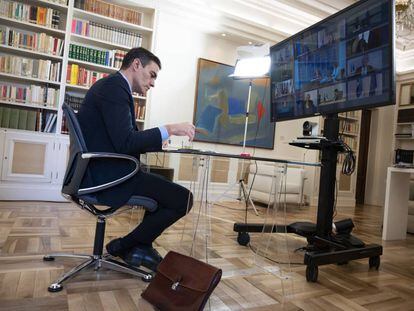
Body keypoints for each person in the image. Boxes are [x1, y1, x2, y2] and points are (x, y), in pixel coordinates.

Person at [77, 47, 195, 272]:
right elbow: (126, 142)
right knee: (183, 199)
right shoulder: (114, 88)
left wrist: (158, 140)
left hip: (103, 170)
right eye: (152, 75)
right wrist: (169, 129)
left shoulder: (113, 87)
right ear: (136, 65)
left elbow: (123, 138)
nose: (153, 83)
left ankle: (138, 246)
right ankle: (126, 245)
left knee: (165, 193)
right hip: (108, 177)